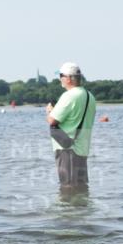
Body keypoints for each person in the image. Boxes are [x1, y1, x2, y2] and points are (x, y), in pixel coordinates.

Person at [46, 62, 96, 194]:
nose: (60, 79)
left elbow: (52, 120)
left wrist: (50, 110)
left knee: (67, 187)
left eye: (61, 76)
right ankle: (83, 212)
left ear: (68, 78)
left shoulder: (69, 96)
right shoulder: (89, 96)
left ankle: (68, 213)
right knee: (81, 186)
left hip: (67, 149)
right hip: (82, 148)